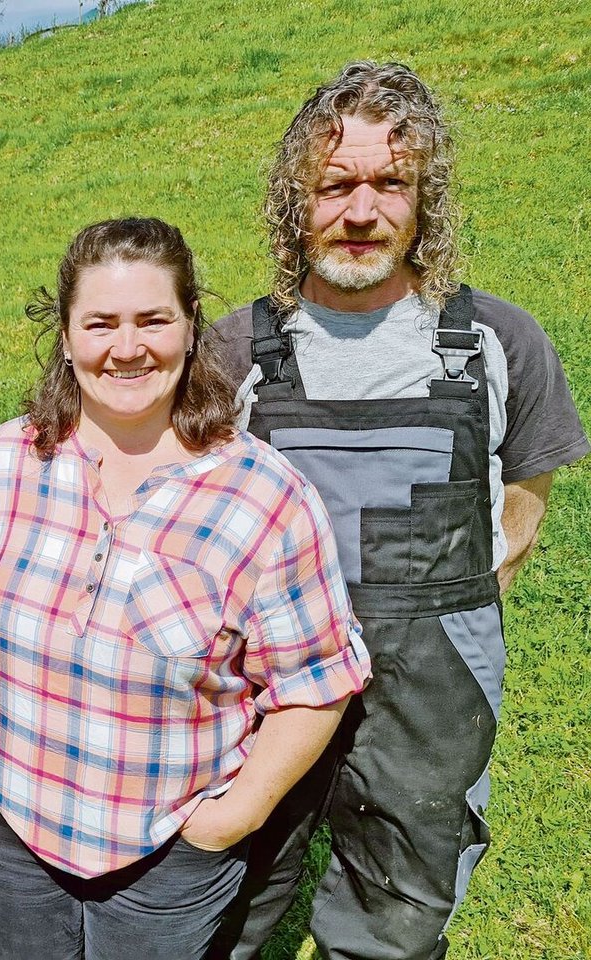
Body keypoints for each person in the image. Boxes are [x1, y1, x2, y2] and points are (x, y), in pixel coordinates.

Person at [210, 62, 591, 960]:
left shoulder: (498, 338)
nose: (361, 210)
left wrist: (447, 607)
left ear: (427, 199)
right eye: (334, 185)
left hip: (437, 677)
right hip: (267, 673)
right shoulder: (232, 349)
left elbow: (524, 502)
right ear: (294, 202)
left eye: (391, 182)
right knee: (232, 884)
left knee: (405, 903)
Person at [0, 217, 371, 960]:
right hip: (10, 816)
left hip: (163, 847)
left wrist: (232, 817)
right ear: (65, 334)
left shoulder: (263, 497)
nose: (127, 347)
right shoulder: (8, 459)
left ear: (189, 327)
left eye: (152, 320)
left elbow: (317, 684)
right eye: (101, 323)